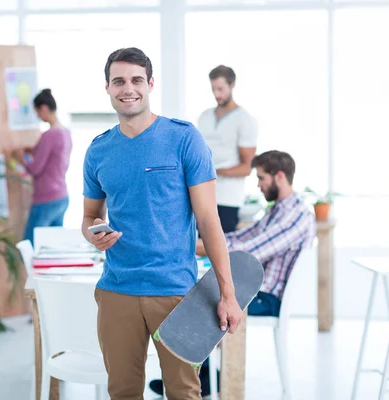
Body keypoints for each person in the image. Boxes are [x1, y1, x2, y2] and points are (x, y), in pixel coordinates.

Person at [82, 47, 243, 400]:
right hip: (116, 291)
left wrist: (227, 294)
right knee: (122, 392)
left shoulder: (184, 138)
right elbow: (88, 216)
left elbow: (208, 221)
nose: (128, 88)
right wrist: (94, 233)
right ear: (107, 88)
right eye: (119, 81)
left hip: (174, 292)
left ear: (150, 84)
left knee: (184, 393)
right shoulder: (98, 151)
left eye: (137, 80)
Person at [149, 150, 316, 397]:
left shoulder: (296, 215)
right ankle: (196, 376)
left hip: (265, 298)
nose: (259, 185)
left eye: (261, 178)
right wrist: (205, 240)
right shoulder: (278, 209)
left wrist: (203, 247)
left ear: (279, 177)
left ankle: (190, 380)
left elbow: (251, 252)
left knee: (203, 300)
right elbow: (242, 237)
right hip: (256, 291)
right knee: (202, 292)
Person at [198, 65, 258, 233]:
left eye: (221, 89)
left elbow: (247, 167)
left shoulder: (244, 120)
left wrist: (214, 172)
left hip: (228, 198)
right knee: (197, 247)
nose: (217, 94)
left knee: (223, 251)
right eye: (213, 89)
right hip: (201, 196)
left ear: (232, 85)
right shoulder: (204, 116)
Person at [13, 89, 72, 246]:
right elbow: (55, 157)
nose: (38, 116)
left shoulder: (49, 135)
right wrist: (34, 149)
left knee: (29, 246)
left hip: (46, 199)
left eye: (37, 112)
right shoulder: (65, 132)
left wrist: (19, 157)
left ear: (44, 108)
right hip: (61, 197)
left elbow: (35, 169)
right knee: (53, 247)